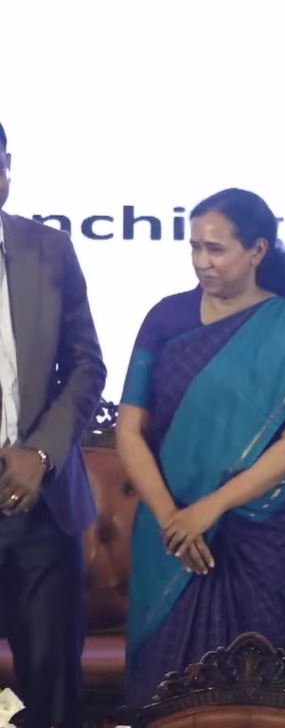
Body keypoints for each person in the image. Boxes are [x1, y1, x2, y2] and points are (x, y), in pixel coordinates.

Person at [118, 188, 285, 706]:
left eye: (215, 249)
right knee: (159, 689)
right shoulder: (165, 318)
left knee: (253, 687)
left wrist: (210, 507)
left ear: (257, 250)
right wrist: (172, 518)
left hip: (259, 534)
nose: (202, 262)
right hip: (169, 533)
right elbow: (130, 429)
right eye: (194, 247)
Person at [0, 119, 106, 727]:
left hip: (43, 506)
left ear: (8, 167)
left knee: (53, 696)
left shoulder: (50, 249)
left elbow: (87, 365)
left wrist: (38, 454)